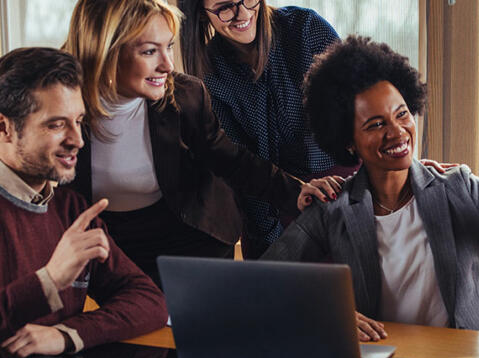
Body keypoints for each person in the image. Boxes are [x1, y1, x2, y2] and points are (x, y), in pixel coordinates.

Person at [262, 36, 479, 341]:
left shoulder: (460, 188)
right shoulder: (334, 207)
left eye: (402, 114)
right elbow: (262, 281)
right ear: (348, 141)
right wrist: (328, 313)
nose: (398, 132)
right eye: (376, 124)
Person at [62, 0, 335, 285]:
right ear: (106, 50)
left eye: (169, 46)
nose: (168, 65)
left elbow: (232, 159)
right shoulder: (58, 108)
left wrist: (296, 191)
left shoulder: (185, 95)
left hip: (194, 242)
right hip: (113, 249)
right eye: (150, 51)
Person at [0, 47, 168, 358]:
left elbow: (148, 300)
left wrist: (67, 335)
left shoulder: (72, 211)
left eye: (78, 121)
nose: (77, 139)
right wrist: (49, 282)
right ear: (4, 128)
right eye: (56, 125)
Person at [178, 0, 346, 258]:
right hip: (268, 203)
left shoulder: (306, 29)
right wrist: (269, 242)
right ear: (202, 15)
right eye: (225, 7)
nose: (243, 13)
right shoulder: (209, 74)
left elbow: (360, 110)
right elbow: (238, 162)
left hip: (339, 191)